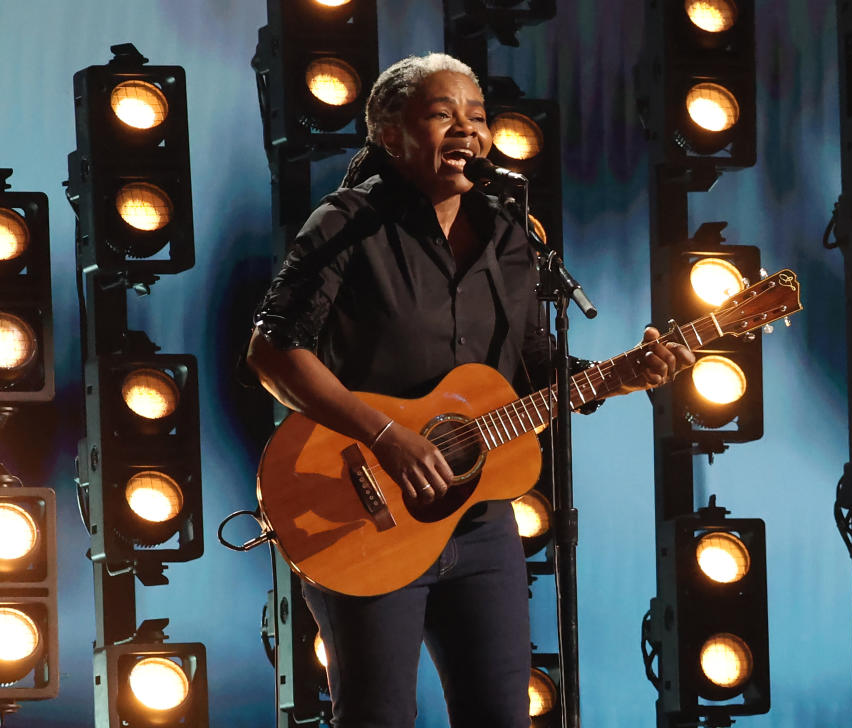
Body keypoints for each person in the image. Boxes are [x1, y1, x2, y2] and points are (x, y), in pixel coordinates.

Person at [247, 52, 694, 728]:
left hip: (482, 526)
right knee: (378, 718)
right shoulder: (346, 223)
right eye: (442, 115)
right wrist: (387, 436)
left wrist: (622, 377)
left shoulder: (513, 237)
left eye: (477, 119)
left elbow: (530, 365)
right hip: (364, 508)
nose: (466, 131)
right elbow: (273, 351)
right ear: (390, 133)